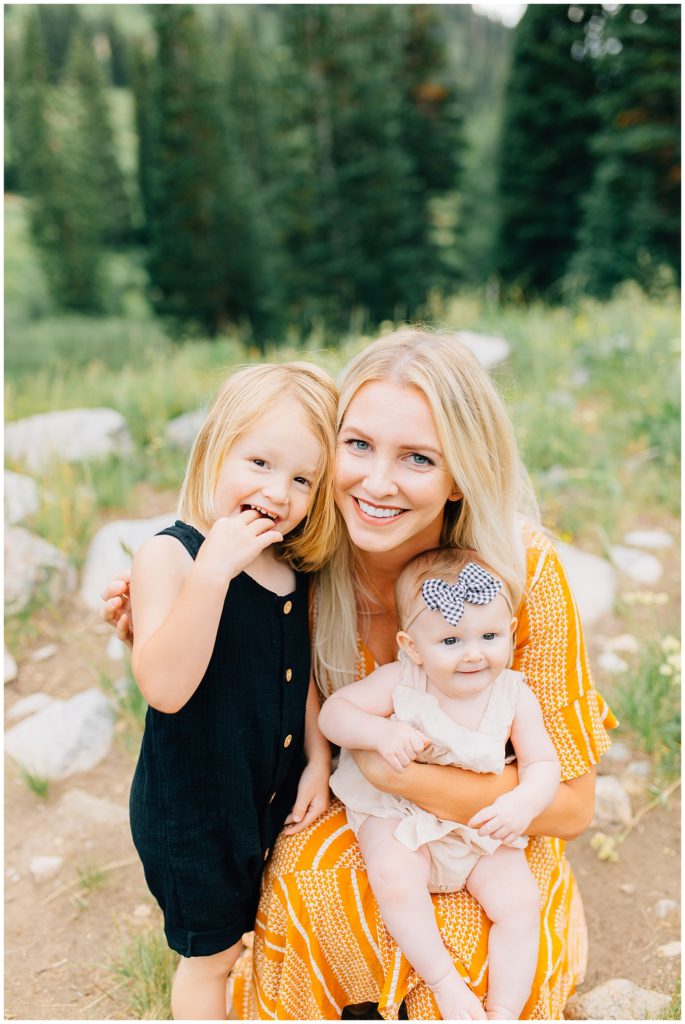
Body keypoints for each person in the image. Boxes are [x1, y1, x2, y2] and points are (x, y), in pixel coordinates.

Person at [102, 328, 616, 1020]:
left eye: (417, 458)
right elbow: (215, 617)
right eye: (358, 446)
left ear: (459, 472)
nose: (376, 483)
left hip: (491, 830)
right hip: (367, 821)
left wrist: (392, 772)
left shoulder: (516, 575)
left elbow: (571, 806)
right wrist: (155, 611)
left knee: (469, 951)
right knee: (311, 891)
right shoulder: (309, 547)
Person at [126, 362, 337, 1020]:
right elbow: (164, 686)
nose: (278, 491)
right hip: (195, 809)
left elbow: (294, 672)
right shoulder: (173, 555)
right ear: (217, 447)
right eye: (259, 462)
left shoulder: (290, 565)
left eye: (302, 479)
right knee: (209, 957)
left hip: (266, 794)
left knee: (251, 931)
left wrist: (320, 760)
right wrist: (212, 574)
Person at [319, 548, 560, 1020]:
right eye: (450, 641)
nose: (474, 653)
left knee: (520, 901)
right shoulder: (400, 681)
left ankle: (504, 1009)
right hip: (400, 813)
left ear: (510, 631)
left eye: (489, 636)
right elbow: (334, 714)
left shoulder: (514, 694)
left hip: (474, 822)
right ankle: (444, 983)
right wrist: (380, 732)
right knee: (393, 876)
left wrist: (525, 803)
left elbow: (543, 765)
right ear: (412, 647)